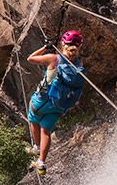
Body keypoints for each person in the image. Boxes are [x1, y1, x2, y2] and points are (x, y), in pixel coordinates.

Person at [25, 30, 85, 175]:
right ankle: (41, 163)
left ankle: (37, 147)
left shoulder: (54, 58)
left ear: (63, 44)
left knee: (33, 118)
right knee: (46, 130)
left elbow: (30, 59)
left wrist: (45, 48)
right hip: (59, 105)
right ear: (79, 46)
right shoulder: (79, 64)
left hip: (43, 100)